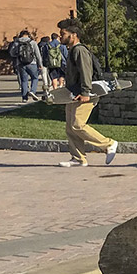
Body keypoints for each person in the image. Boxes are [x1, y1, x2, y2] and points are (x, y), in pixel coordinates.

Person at [57, 18, 118, 167]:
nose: (60, 37)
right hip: (74, 93)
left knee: (78, 124)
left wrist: (85, 92)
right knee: (70, 127)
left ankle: (108, 144)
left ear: (73, 35)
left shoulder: (80, 50)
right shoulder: (72, 50)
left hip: (85, 94)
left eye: (63, 33)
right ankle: (78, 158)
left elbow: (86, 72)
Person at [9, 30, 43, 102]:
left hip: (20, 64)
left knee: (24, 80)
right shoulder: (32, 42)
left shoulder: (17, 42)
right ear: (28, 35)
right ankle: (33, 91)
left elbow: (11, 53)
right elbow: (38, 54)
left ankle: (24, 98)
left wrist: (18, 56)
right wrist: (40, 64)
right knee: (35, 78)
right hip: (32, 63)